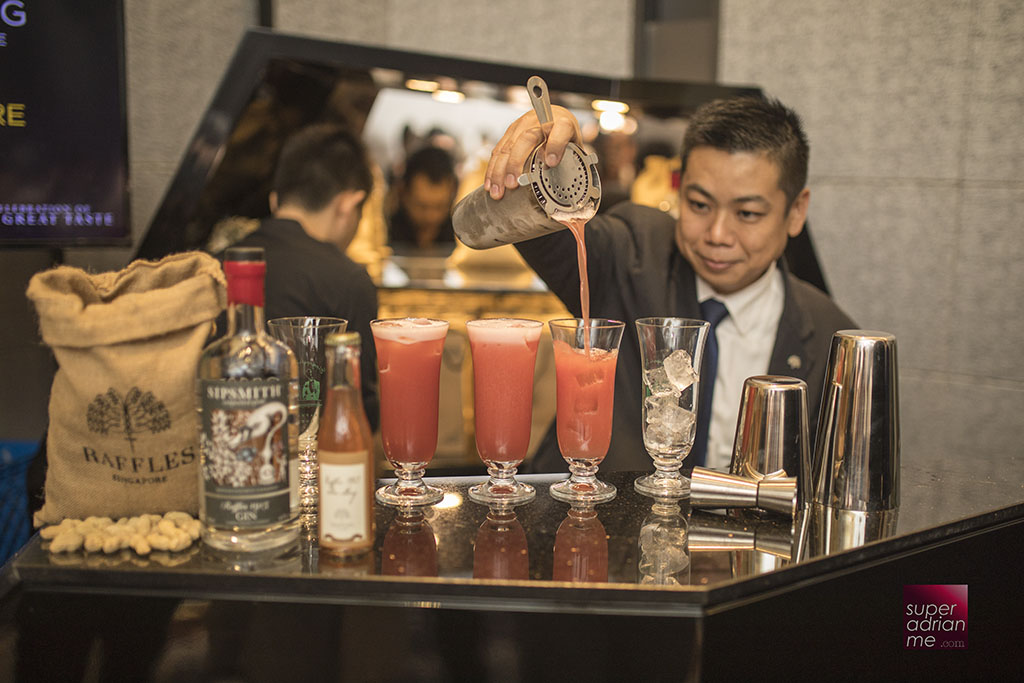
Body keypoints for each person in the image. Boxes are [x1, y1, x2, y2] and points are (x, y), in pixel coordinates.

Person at [459, 96, 855, 472]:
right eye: (699, 205)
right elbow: (545, 234)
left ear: (795, 211)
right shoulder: (634, 253)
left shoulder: (830, 339)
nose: (717, 234)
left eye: (747, 213)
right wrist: (547, 162)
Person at [229, 123, 380, 429]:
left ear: (275, 200)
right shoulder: (349, 280)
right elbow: (360, 417)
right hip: (316, 467)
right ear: (348, 205)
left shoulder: (216, 265)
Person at [387, 145, 458, 252]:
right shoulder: (385, 231)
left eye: (440, 207)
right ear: (402, 193)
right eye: (422, 207)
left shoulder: (459, 235)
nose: (431, 217)